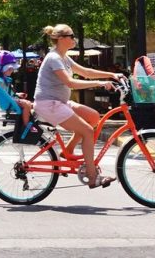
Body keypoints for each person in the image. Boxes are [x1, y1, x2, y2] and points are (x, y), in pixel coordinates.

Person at [33, 24, 122, 189]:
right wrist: (101, 83)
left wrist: (111, 75)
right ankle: (93, 175)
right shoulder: (54, 58)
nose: (74, 39)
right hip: (49, 104)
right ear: (60, 39)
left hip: (60, 102)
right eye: (71, 36)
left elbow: (85, 72)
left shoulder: (64, 57)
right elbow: (70, 83)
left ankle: (67, 152)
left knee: (93, 117)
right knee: (87, 132)